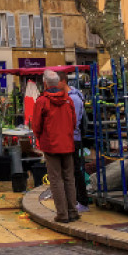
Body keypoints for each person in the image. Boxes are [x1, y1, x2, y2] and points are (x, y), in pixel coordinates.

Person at [32, 70, 79, 223]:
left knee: (56, 179)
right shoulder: (68, 100)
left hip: (51, 144)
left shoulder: (42, 101)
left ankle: (62, 214)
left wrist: (40, 137)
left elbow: (36, 125)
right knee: (69, 178)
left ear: (45, 83)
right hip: (67, 143)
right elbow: (73, 122)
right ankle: (73, 211)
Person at [65, 78, 90, 210]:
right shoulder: (72, 97)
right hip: (72, 138)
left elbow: (73, 122)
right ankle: (77, 200)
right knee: (74, 169)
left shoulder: (73, 99)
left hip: (74, 138)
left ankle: (82, 201)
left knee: (76, 169)